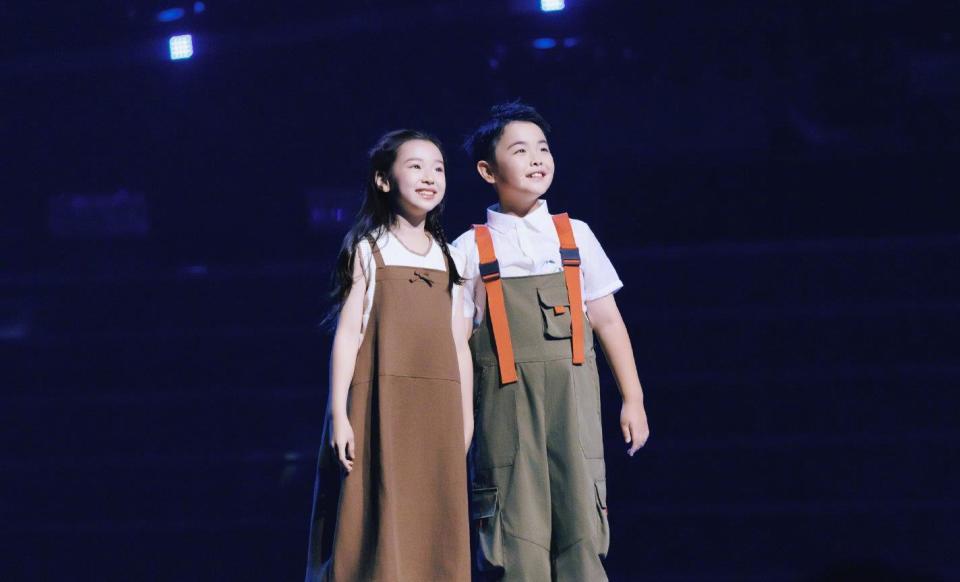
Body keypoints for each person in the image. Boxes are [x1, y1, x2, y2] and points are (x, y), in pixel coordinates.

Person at [453, 102, 651, 581]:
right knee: (515, 539)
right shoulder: (468, 249)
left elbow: (608, 320)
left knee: (581, 529)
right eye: (520, 150)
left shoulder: (575, 235)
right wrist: (461, 423)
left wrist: (633, 398)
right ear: (488, 170)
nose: (537, 159)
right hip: (504, 412)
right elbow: (456, 344)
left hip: (572, 407)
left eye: (543, 148)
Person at [305, 129, 473, 582]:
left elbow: (458, 343)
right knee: (374, 515)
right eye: (415, 166)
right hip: (379, 405)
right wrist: (339, 414)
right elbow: (347, 336)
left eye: (438, 168)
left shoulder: (451, 258)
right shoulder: (370, 250)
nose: (430, 177)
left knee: (432, 520)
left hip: (436, 409)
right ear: (383, 180)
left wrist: (466, 416)